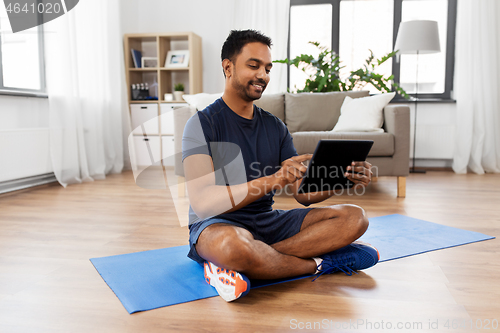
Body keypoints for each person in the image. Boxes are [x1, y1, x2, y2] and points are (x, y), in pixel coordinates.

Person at [182, 30, 378, 302]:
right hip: (217, 225)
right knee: (234, 246)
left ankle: (251, 262)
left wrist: (341, 178)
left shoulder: (275, 127)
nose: (263, 75)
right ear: (228, 67)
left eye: (267, 68)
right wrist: (274, 180)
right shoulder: (201, 124)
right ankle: (319, 263)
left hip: (267, 222)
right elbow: (203, 203)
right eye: (254, 65)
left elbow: (303, 194)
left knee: (355, 217)